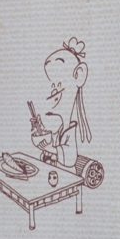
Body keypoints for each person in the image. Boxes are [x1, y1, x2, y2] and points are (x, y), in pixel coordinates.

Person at [31, 37, 92, 170]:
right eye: (52, 84)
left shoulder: (69, 132)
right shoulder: (58, 130)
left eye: (58, 84)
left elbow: (70, 159)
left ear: (78, 75)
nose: (53, 91)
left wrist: (50, 149)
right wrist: (38, 127)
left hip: (67, 178)